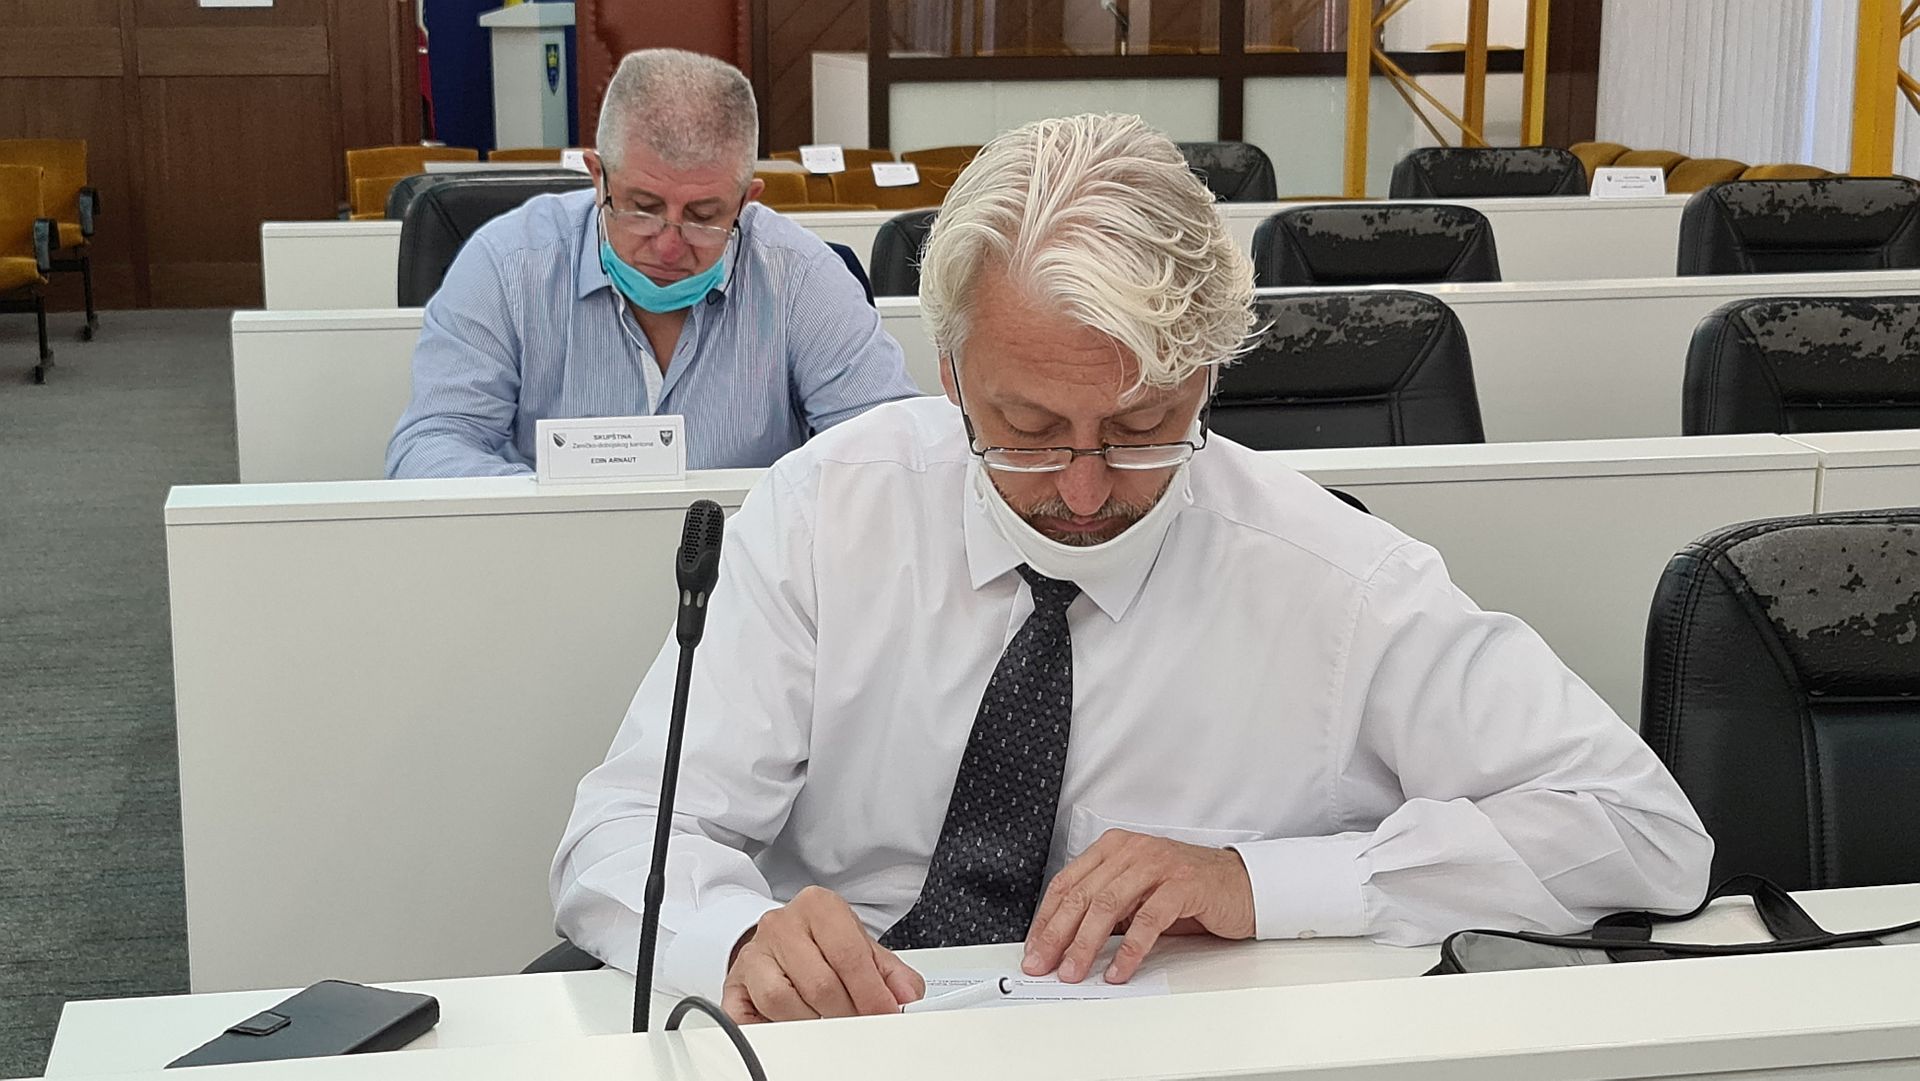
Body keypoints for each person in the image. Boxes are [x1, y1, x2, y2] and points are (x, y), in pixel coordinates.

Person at [551, 113, 1713, 1023]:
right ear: (950, 373)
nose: (1083, 489)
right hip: (853, 1036)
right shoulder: (825, 514)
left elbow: (1641, 828)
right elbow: (621, 834)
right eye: (1028, 430)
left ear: (1205, 378)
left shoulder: (1333, 576)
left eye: (1145, 427)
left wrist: (1256, 883)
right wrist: (739, 935)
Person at [386, 49, 919, 478]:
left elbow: (891, 453)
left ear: (746, 201)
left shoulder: (802, 275)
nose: (668, 246)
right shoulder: (507, 264)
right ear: (597, 177)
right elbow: (430, 445)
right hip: (544, 558)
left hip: (751, 563)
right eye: (642, 208)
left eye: (705, 216)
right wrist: (549, 508)